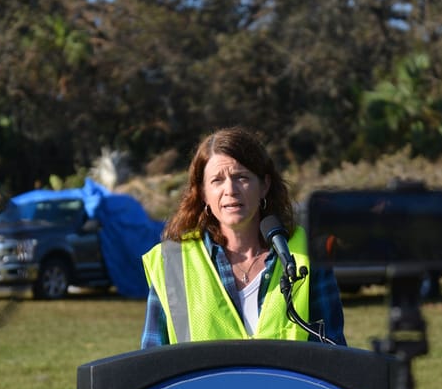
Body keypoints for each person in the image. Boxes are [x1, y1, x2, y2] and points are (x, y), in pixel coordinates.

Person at [141, 126, 346, 347]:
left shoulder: (307, 254)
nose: (230, 190)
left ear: (264, 186)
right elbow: (152, 366)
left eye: (241, 177)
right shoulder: (171, 261)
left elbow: (333, 354)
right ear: (202, 193)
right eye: (217, 181)